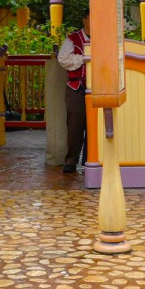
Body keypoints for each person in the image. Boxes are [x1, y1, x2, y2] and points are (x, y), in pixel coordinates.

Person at [56, 13, 90, 173]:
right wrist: (83, 58)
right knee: (75, 124)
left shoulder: (102, 38)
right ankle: (71, 160)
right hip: (76, 87)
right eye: (90, 18)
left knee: (95, 126)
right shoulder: (73, 39)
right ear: (84, 19)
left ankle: (90, 160)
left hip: (97, 88)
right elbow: (62, 59)